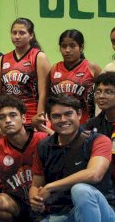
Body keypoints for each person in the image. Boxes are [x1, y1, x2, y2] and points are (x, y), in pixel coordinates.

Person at [30, 94, 115, 222]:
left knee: (80, 190)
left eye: (68, 114)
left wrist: (50, 187)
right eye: (56, 116)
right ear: (49, 119)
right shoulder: (43, 146)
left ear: (79, 114)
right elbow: (36, 185)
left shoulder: (99, 140)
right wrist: (35, 200)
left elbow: (94, 174)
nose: (63, 120)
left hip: (102, 211)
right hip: (62, 213)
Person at [0, 18, 51, 130]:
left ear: (31, 35)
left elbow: (44, 93)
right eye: (14, 33)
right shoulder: (2, 60)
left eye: (22, 33)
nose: (17, 36)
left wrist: (40, 118)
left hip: (31, 117)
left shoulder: (39, 57)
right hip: (8, 118)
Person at [49, 29, 101, 124]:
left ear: (81, 47)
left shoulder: (92, 67)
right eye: (63, 46)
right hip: (59, 123)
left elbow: (104, 93)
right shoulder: (54, 68)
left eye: (72, 46)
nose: (67, 50)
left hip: (85, 124)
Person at [85, 72, 115, 180]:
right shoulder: (92, 124)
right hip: (103, 180)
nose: (101, 96)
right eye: (98, 91)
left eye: (108, 92)